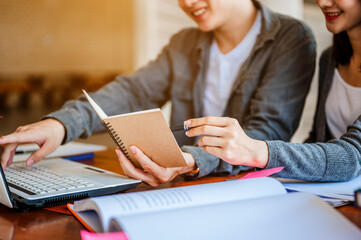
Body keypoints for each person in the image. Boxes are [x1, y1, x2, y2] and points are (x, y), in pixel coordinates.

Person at [0, 0, 316, 187]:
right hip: (176, 183)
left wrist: (192, 159)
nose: (188, 3)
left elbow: (265, 134)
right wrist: (61, 124)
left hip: (241, 188)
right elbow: (133, 91)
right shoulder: (184, 41)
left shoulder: (291, 38)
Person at [184, 0, 361, 182]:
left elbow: (353, 155)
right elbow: (319, 140)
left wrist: (257, 150)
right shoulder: (330, 60)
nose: (323, 3)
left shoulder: (292, 37)